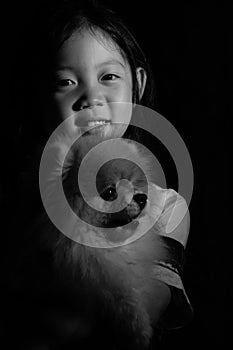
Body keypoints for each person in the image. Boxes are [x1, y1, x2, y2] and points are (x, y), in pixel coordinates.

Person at [9, 0, 193, 349]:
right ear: (39, 98)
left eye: (108, 77)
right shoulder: (22, 194)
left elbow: (152, 300)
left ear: (136, 85)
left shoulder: (165, 206)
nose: (90, 97)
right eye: (66, 81)